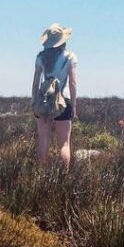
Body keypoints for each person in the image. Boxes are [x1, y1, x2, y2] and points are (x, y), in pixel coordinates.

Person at [32, 23, 78, 168]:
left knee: (43, 140)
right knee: (64, 143)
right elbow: (73, 84)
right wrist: (74, 107)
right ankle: (63, 178)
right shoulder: (70, 57)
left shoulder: (40, 57)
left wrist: (34, 102)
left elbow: (35, 82)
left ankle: (41, 174)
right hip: (64, 102)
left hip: (44, 100)